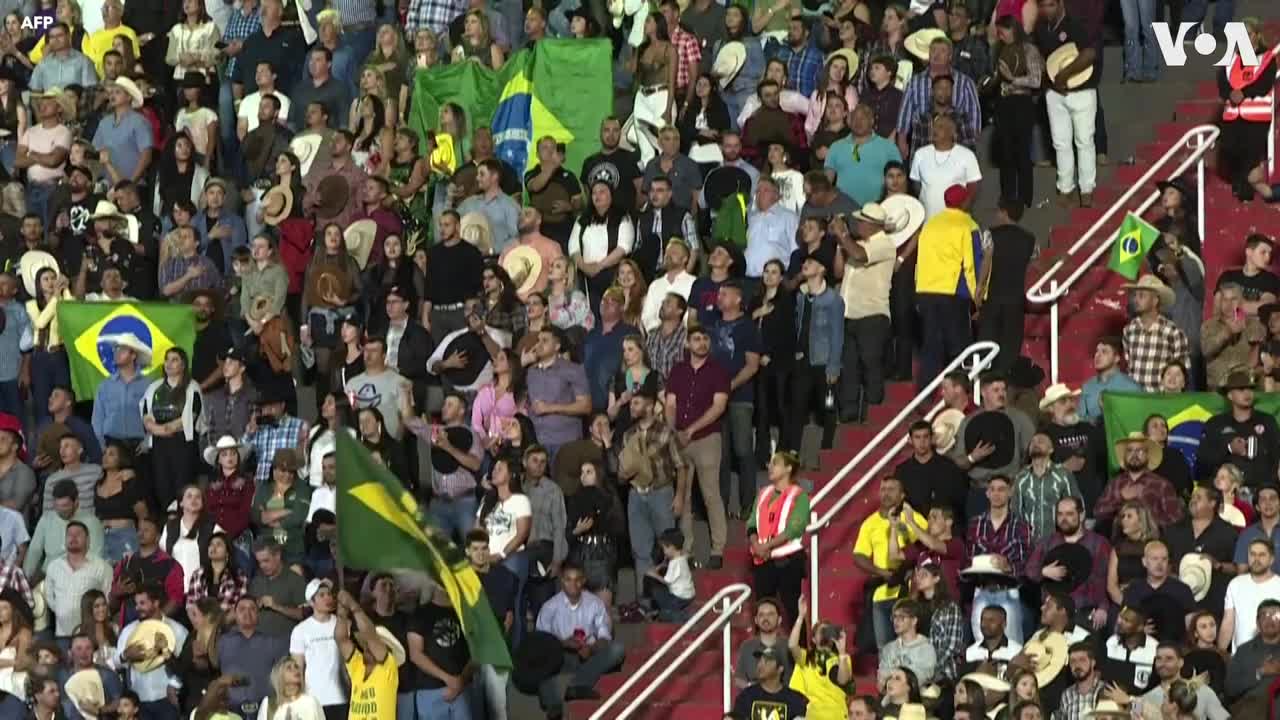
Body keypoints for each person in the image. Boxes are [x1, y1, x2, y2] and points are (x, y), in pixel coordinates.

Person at [534, 561, 626, 715]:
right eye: (568, 579)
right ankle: (553, 705)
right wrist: (564, 643)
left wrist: (591, 648)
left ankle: (577, 686)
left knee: (618, 649)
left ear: (583, 581)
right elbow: (541, 641)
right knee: (541, 659)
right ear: (562, 581)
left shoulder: (595, 604)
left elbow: (604, 637)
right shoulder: (550, 606)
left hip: (588, 655)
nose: (573, 584)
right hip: (561, 655)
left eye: (577, 579)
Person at [913, 184, 980, 388]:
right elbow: (971, 264)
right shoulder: (968, 225)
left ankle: (924, 392)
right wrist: (977, 296)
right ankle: (957, 391)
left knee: (931, 345)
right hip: (953, 292)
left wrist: (918, 289)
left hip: (925, 291)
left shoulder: (930, 224)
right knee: (957, 346)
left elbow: (920, 260)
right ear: (965, 201)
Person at [1034, 0, 1098, 208]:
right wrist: (1051, 80)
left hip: (1082, 89)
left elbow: (1089, 53)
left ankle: (1087, 188)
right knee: (1060, 143)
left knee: (1084, 140)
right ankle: (1065, 187)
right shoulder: (1041, 28)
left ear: (1060, 3)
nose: (1046, 10)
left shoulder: (1075, 24)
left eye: (1050, 5)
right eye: (1043, 6)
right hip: (1054, 92)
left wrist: (1064, 75)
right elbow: (1042, 58)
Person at [855, 476, 925, 647]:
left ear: (902, 495)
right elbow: (858, 556)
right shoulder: (869, 523)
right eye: (883, 489)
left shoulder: (913, 518)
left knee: (908, 645)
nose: (886, 494)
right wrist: (882, 573)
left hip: (907, 591)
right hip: (881, 594)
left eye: (892, 489)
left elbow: (924, 546)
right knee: (884, 649)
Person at [1026, 496, 1113, 630]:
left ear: (1082, 515)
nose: (1064, 518)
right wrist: (1043, 572)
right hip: (1053, 613)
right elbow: (1029, 571)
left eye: (1069, 514)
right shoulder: (1047, 542)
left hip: (1086, 612)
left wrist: (1103, 608)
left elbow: (1104, 578)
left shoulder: (1098, 543)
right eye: (1060, 514)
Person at [116, 582, 189, 719]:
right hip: (139, 702)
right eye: (136, 603)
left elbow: (186, 665)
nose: (137, 608)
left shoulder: (177, 630)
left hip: (167, 700)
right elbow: (115, 663)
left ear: (156, 603)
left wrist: (174, 686)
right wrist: (125, 656)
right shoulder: (128, 631)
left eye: (142, 603)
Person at [1198, 370, 1280, 489]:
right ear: (1230, 395)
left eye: (1250, 389)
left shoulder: (1267, 421)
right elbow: (1203, 461)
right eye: (1241, 389)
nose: (1247, 393)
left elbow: (1276, 456)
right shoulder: (1215, 424)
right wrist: (1229, 448)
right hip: (1225, 492)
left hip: (1261, 492)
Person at [44, 520, 112, 642]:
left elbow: (108, 598)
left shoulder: (102, 567)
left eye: (78, 534)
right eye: (69, 534)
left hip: (90, 635)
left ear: (88, 539)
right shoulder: (54, 566)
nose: (73, 537)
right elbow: (49, 596)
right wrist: (61, 610)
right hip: (62, 634)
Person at [1122, 540, 1198, 645]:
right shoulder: (1134, 589)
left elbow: (1191, 625)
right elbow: (1124, 623)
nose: (1159, 564)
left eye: (1164, 559)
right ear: (1144, 562)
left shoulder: (1182, 590)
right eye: (1154, 559)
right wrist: (1139, 631)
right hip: (1141, 646)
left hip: (1175, 646)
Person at [90, 333, 151, 449]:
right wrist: (102, 447)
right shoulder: (105, 386)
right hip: (111, 444)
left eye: (122, 349)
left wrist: (147, 442)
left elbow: (154, 416)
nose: (117, 352)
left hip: (139, 445)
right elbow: (97, 420)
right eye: (116, 349)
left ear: (133, 355)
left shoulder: (148, 385)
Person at [1220, 537, 1280, 652]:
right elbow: (1228, 622)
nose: (1256, 559)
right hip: (1240, 658)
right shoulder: (1236, 584)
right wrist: (1220, 654)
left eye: (1262, 555)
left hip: (1273, 659)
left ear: (1271, 559)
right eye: (1252, 554)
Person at [732, 645, 809, 719]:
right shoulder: (746, 697)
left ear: (780, 669)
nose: (760, 665)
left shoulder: (795, 700)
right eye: (760, 661)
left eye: (767, 661)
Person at [735, 598, 794, 688]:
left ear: (779, 620)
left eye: (770, 614)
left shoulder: (789, 646)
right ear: (756, 620)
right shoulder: (747, 646)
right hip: (755, 698)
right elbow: (739, 679)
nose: (765, 618)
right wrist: (752, 689)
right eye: (761, 615)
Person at [1080, 337, 1141, 423]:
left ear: (1117, 358)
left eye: (1104, 352)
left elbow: (1137, 419)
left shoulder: (1132, 388)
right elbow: (1081, 419)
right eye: (1097, 351)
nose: (1098, 355)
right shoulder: (1087, 387)